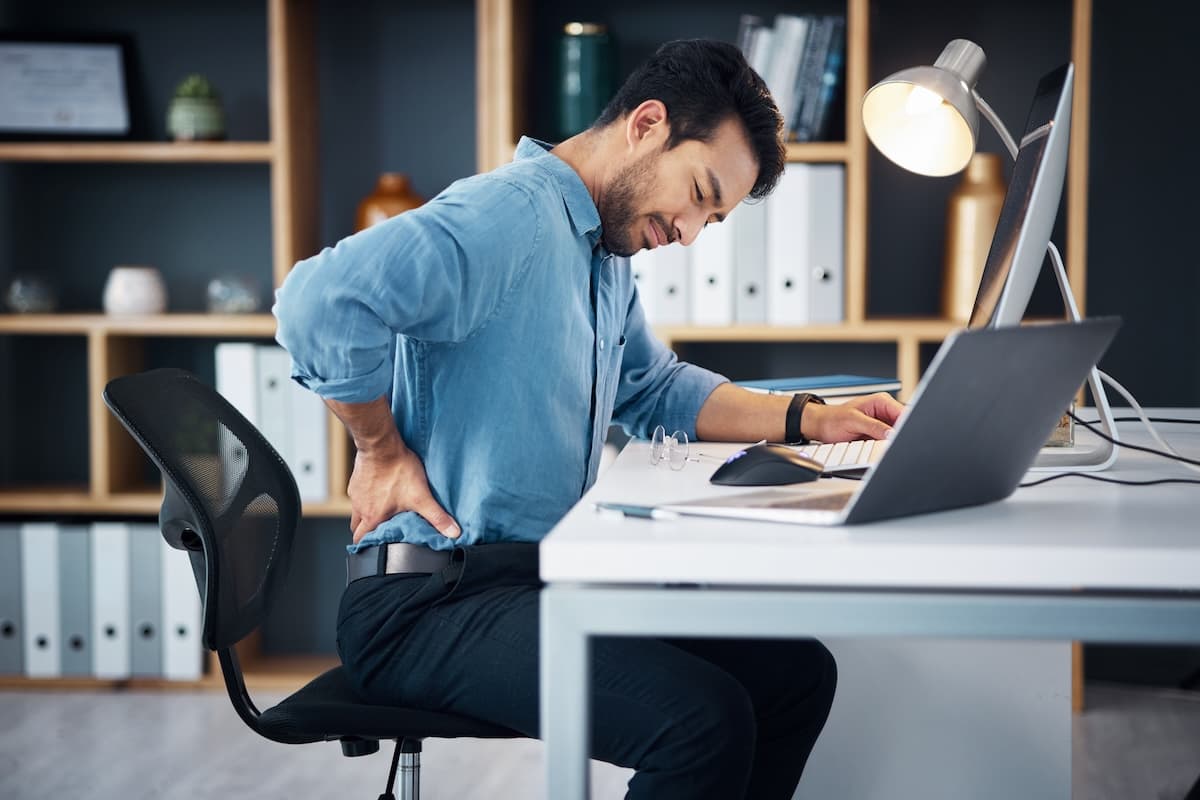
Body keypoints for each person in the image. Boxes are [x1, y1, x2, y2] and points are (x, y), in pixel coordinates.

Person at [274, 38, 903, 800]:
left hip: (533, 582)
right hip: (429, 604)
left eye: (714, 217)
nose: (691, 233)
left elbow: (656, 387)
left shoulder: (599, 253)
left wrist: (809, 421)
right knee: (700, 723)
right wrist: (379, 448)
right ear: (645, 124)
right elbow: (316, 300)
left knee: (794, 678)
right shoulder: (508, 216)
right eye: (699, 195)